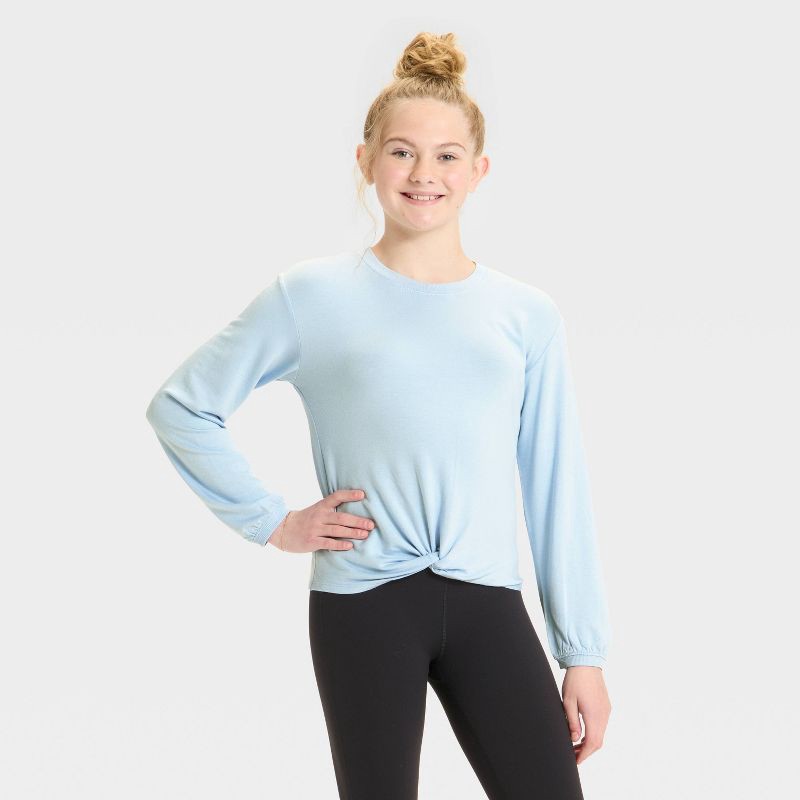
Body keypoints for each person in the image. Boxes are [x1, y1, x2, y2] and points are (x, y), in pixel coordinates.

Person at [146, 30, 612, 800]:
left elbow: (557, 487)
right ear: (365, 161)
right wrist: (272, 520)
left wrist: (582, 652)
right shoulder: (312, 296)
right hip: (363, 604)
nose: (423, 173)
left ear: (479, 171)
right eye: (401, 152)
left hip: (488, 604)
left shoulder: (526, 315)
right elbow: (183, 406)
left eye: (447, 156)